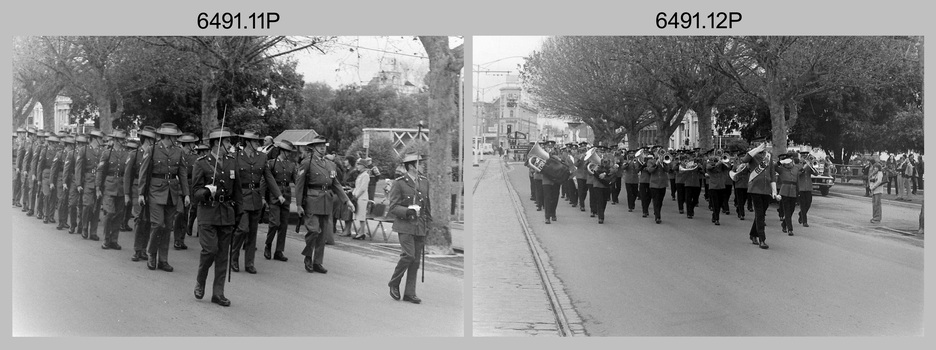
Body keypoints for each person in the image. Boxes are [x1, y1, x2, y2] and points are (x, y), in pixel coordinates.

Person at [192, 127, 243, 307]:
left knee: (222, 255)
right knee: (210, 250)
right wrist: (206, 191)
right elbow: (195, 193)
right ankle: (201, 279)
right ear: (216, 144)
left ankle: (218, 293)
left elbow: (237, 191)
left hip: (226, 213)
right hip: (208, 212)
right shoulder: (202, 163)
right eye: (227, 142)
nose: (229, 145)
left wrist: (239, 213)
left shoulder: (232, 162)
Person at [293, 135, 353, 274]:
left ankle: (317, 262)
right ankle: (308, 256)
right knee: (314, 231)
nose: (322, 148)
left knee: (322, 235)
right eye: (319, 145)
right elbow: (299, 185)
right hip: (312, 200)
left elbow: (336, 184)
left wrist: (347, 201)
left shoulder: (330, 164)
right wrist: (299, 205)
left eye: (323, 145)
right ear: (313, 148)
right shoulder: (307, 162)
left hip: (326, 201)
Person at [138, 123, 190, 272]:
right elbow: (143, 172)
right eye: (174, 137)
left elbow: (183, 174)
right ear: (167, 137)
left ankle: (163, 259)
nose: (176, 139)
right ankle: (151, 254)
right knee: (158, 224)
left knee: (168, 227)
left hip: (172, 193)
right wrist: (141, 193)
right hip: (155, 191)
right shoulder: (152, 149)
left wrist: (186, 194)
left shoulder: (178, 152)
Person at [387, 152, 431, 304]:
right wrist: (407, 211)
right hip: (405, 225)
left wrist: (428, 226)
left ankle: (409, 293)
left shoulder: (424, 182)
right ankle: (394, 282)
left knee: (415, 260)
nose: (423, 166)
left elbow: (427, 207)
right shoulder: (399, 183)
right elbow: (392, 207)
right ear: (412, 166)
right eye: (420, 163)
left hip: (420, 226)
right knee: (409, 255)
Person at [230, 130, 268, 275]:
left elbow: (268, 177)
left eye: (259, 141)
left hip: (256, 198)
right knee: (242, 229)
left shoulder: (262, 157)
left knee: (252, 233)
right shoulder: (236, 157)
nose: (258, 144)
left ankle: (249, 263)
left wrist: (277, 193)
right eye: (255, 141)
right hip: (242, 197)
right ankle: (234, 257)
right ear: (247, 142)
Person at [263, 140, 297, 261]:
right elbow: (265, 181)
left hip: (286, 195)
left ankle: (279, 251)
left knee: (283, 225)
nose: (288, 154)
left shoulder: (292, 165)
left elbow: (296, 181)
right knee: (274, 223)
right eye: (286, 151)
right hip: (274, 195)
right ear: (281, 151)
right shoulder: (271, 163)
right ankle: (268, 244)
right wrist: (263, 197)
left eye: (290, 152)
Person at [96, 130, 129, 250]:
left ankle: (114, 240)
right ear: (115, 140)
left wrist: (127, 191)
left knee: (118, 215)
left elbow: (127, 173)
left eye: (123, 140)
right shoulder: (107, 153)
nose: (122, 142)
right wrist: (98, 187)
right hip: (109, 186)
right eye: (120, 140)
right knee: (109, 213)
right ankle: (106, 239)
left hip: (121, 187)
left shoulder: (127, 154)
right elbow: (100, 171)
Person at [741, 142, 778, 249]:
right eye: (760, 144)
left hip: (766, 190)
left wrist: (774, 191)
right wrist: (756, 150)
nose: (763, 146)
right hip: (755, 189)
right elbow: (744, 160)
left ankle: (753, 234)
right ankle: (762, 239)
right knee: (760, 214)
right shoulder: (753, 155)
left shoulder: (768, 156)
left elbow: (772, 174)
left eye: (763, 144)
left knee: (761, 213)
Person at [127, 129, 155, 262]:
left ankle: (144, 249)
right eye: (152, 139)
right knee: (139, 219)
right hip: (137, 189)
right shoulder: (135, 154)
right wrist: (127, 194)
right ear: (147, 140)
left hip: (151, 190)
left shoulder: (154, 153)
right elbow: (128, 175)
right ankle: (137, 250)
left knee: (148, 220)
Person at [75, 129, 105, 240]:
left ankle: (93, 232)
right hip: (87, 181)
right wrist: (78, 183)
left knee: (96, 208)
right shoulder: (84, 150)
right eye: (100, 138)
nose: (101, 140)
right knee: (87, 205)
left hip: (99, 182)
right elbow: (78, 167)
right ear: (94, 139)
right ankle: (84, 227)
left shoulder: (103, 151)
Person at [173, 133, 200, 250]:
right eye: (192, 143)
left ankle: (181, 239)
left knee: (185, 213)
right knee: (179, 213)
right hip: (178, 186)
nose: (193, 145)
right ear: (187, 144)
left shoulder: (195, 157)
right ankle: (176, 239)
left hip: (189, 186)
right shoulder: (177, 154)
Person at [775, 152, 800, 236]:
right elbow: (773, 167)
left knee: (792, 210)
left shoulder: (796, 168)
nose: (788, 164)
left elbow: (798, 181)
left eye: (789, 161)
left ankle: (784, 224)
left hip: (793, 191)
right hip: (784, 191)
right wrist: (780, 162)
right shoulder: (781, 169)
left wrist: (798, 192)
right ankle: (790, 229)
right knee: (787, 211)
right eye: (786, 163)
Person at [350, 157, 373, 240]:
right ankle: (361, 232)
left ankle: (362, 232)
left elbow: (363, 188)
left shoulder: (365, 175)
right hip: (358, 196)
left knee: (361, 216)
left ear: (363, 166)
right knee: (359, 215)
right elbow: (357, 186)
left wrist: (356, 195)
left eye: (359, 164)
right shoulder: (361, 175)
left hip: (362, 197)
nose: (357, 166)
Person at [705, 155, 730, 226]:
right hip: (713, 187)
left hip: (721, 186)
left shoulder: (722, 166)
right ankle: (717, 219)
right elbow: (708, 167)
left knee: (720, 204)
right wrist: (716, 165)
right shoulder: (710, 165)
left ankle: (714, 215)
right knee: (715, 203)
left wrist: (722, 163)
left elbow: (728, 167)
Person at [796, 152, 818, 228]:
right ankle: (804, 221)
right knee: (803, 205)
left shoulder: (809, 166)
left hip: (808, 187)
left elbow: (816, 174)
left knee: (808, 203)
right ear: (801, 158)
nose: (804, 158)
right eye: (803, 157)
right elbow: (797, 174)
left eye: (805, 157)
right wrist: (803, 168)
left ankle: (801, 214)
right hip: (801, 188)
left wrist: (812, 166)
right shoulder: (798, 166)